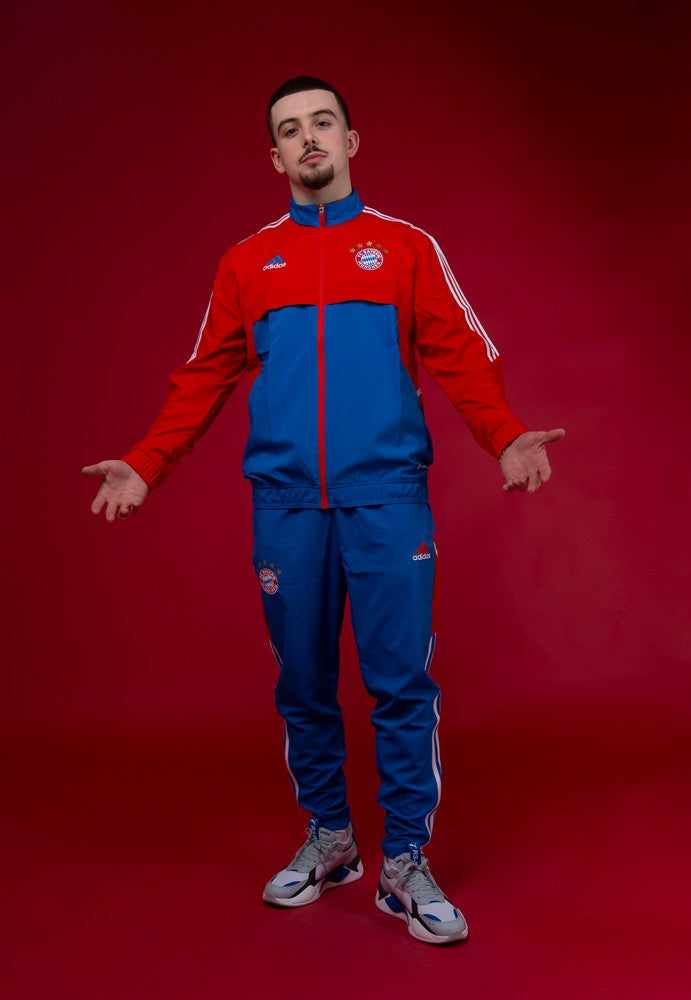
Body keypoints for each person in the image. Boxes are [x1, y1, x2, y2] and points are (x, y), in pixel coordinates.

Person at [83, 76, 564, 946]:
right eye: (289, 130)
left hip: (387, 501)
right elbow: (203, 376)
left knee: (400, 683)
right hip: (287, 507)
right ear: (274, 156)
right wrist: (148, 464)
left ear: (349, 140)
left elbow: (461, 353)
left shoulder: (404, 247)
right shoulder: (246, 262)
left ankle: (405, 860)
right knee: (302, 684)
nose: (307, 138)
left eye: (321, 123)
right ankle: (331, 839)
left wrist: (503, 438)